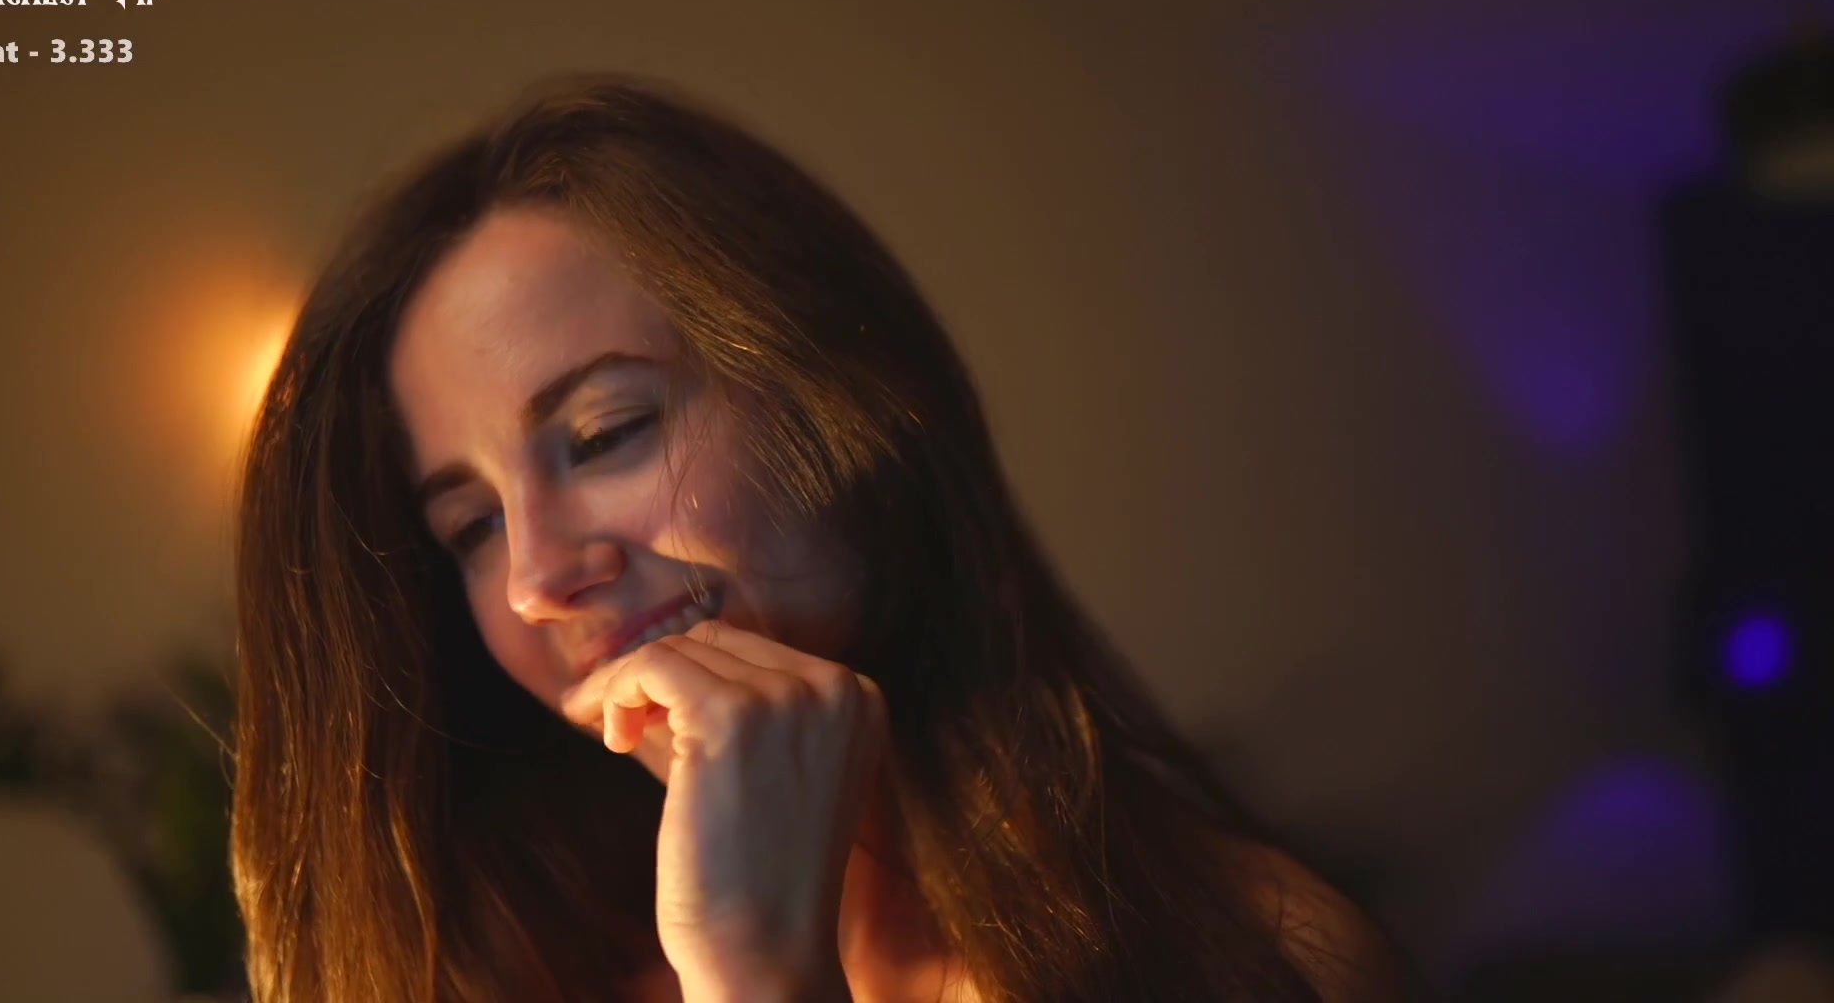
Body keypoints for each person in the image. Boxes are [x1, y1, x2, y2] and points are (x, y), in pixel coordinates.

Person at [230, 72, 1410, 1002]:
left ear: (832, 395)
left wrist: (758, 970)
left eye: (605, 434)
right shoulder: (484, 976)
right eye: (472, 526)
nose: (539, 573)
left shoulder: (1260, 954)